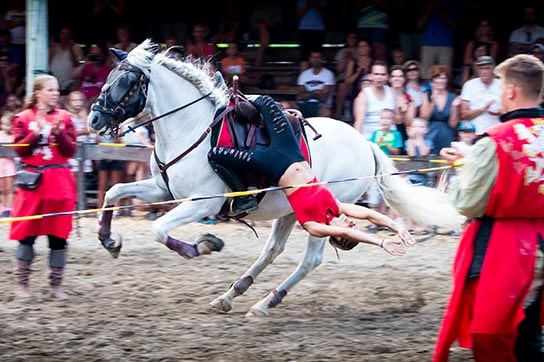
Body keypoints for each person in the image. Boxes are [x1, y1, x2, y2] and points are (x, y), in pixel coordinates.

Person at [433, 54, 544, 361]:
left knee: (493, 337)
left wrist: (463, 167)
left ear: (509, 91)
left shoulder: (494, 140)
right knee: (531, 331)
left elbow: (467, 202)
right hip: (541, 240)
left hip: (504, 249)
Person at [207, 95, 415, 255]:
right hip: (291, 152)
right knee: (265, 101)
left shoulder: (314, 226)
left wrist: (380, 242)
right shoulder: (336, 207)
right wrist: (397, 227)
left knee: (216, 154)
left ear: (340, 238)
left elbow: (348, 232)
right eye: (352, 224)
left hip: (274, 165)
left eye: (350, 227)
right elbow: (369, 215)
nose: (352, 222)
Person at [10, 74, 77, 300]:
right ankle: (22, 284)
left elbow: (70, 151)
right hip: (33, 184)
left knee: (58, 237)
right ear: (38, 93)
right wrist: (36, 132)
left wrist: (58, 133)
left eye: (57, 90)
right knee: (26, 235)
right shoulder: (22, 117)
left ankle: (56, 285)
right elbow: (20, 150)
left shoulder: (66, 118)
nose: (56, 94)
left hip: (59, 183)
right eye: (51, 90)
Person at [459, 55, 502, 136]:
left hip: (497, 133)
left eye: (487, 68)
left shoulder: (502, 85)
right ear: (477, 70)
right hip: (474, 133)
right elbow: (463, 115)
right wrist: (482, 110)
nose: (484, 71)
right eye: (481, 68)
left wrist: (501, 112)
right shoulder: (469, 85)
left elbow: (511, 111)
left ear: (493, 70)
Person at [296, 50, 336, 118]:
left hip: (321, 105)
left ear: (322, 59)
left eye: (318, 57)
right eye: (313, 57)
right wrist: (315, 92)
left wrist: (307, 94)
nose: (315, 60)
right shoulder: (304, 74)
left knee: (327, 112)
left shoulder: (328, 74)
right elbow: (300, 97)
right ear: (310, 59)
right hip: (304, 104)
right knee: (285, 105)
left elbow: (323, 98)